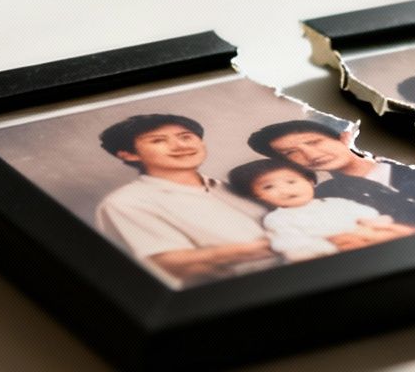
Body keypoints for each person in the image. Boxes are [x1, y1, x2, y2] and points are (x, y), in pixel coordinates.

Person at [92, 112, 277, 286]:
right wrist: (276, 244)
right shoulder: (127, 203)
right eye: (158, 140)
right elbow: (170, 264)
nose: (181, 146)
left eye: (185, 137)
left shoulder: (229, 186)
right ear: (129, 154)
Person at [246, 119, 415, 229]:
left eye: (314, 141)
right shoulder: (322, 200)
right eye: (291, 153)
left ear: (343, 137)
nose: (310, 154)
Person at [225, 159, 415, 262]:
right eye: (268, 187)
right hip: (337, 251)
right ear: (256, 196)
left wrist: (374, 224)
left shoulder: (336, 201)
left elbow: (370, 215)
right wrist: (332, 247)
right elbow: (291, 246)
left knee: (403, 234)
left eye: (292, 181)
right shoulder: (278, 219)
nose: (285, 190)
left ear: (310, 181)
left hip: (372, 238)